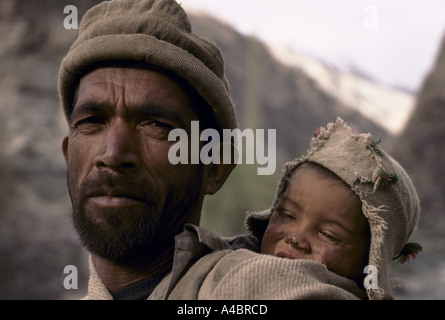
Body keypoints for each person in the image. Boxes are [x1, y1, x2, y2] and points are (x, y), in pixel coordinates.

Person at [58, 0, 254, 300]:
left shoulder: (262, 287)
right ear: (68, 153)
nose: (112, 155)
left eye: (156, 125)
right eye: (92, 120)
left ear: (214, 164)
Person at [155, 118, 422, 300]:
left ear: (370, 260)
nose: (296, 238)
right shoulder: (220, 256)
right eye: (287, 215)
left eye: (329, 234)